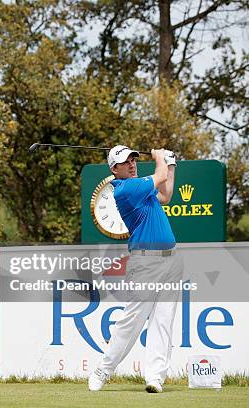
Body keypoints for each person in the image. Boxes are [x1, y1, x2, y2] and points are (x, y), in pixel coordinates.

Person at [88, 145, 181, 393]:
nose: (132, 164)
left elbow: (166, 194)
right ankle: (103, 370)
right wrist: (160, 158)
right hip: (146, 262)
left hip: (171, 259)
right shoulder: (125, 189)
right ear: (113, 169)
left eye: (133, 159)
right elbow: (159, 177)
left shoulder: (140, 186)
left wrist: (171, 165)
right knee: (132, 320)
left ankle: (155, 378)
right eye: (125, 161)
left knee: (163, 320)